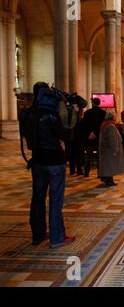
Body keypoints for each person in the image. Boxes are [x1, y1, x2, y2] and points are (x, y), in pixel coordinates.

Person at [29, 82, 75, 248]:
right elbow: (65, 134)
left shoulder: (28, 113)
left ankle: (38, 234)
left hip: (37, 160)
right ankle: (57, 237)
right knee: (55, 200)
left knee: (37, 198)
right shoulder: (51, 114)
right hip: (54, 161)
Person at [81, 98, 106, 177]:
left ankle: (86, 173)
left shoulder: (87, 113)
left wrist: (90, 134)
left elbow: (84, 126)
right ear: (99, 103)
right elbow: (103, 126)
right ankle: (100, 173)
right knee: (99, 157)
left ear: (92, 103)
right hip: (99, 137)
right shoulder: (103, 113)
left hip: (89, 138)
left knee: (87, 156)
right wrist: (96, 133)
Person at [98, 112, 124, 187]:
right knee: (110, 166)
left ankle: (107, 179)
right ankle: (109, 181)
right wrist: (115, 150)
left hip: (106, 150)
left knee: (107, 166)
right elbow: (113, 139)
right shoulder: (111, 126)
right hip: (110, 150)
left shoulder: (105, 124)